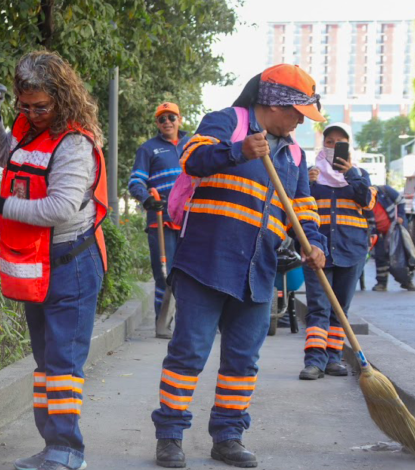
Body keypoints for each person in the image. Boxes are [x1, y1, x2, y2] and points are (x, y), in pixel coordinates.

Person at [151, 64, 327, 468]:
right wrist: (239, 151)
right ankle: (170, 436)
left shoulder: (295, 153)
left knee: (242, 362)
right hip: (205, 263)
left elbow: (302, 208)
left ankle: (228, 436)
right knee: (187, 354)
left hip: (258, 271)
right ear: (273, 102)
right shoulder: (227, 122)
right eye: (297, 111)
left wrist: (314, 244)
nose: (301, 119)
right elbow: (191, 159)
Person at [0, 51, 108, 470]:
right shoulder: (28, 131)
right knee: (46, 363)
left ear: (62, 98)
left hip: (73, 263)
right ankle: (52, 446)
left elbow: (60, 208)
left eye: (41, 107)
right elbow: (6, 157)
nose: (32, 114)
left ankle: (68, 451)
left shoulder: (74, 143)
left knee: (63, 364)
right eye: (25, 106)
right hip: (39, 263)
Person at [300, 122, 376, 380]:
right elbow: (297, 208)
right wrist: (306, 184)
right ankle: (314, 362)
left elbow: (367, 201)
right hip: (317, 251)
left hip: (350, 250)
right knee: (318, 307)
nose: (333, 147)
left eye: (339, 143)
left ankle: (333, 358)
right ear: (323, 145)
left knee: (339, 309)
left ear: (348, 146)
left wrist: (351, 174)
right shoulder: (309, 174)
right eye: (329, 142)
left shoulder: (360, 174)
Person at [128, 102, 188, 333]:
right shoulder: (148, 149)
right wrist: (147, 199)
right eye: (162, 119)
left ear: (179, 119)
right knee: (165, 273)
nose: (167, 122)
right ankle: (163, 324)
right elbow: (135, 182)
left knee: (190, 273)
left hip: (190, 220)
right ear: (157, 123)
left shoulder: (192, 144)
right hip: (161, 220)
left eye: (171, 117)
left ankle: (186, 324)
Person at [370, 184, 415, 292]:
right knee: (380, 257)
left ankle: (407, 282)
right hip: (379, 233)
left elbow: (401, 201)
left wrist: (400, 216)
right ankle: (381, 283)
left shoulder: (384, 191)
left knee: (400, 257)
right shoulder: (364, 198)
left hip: (394, 230)